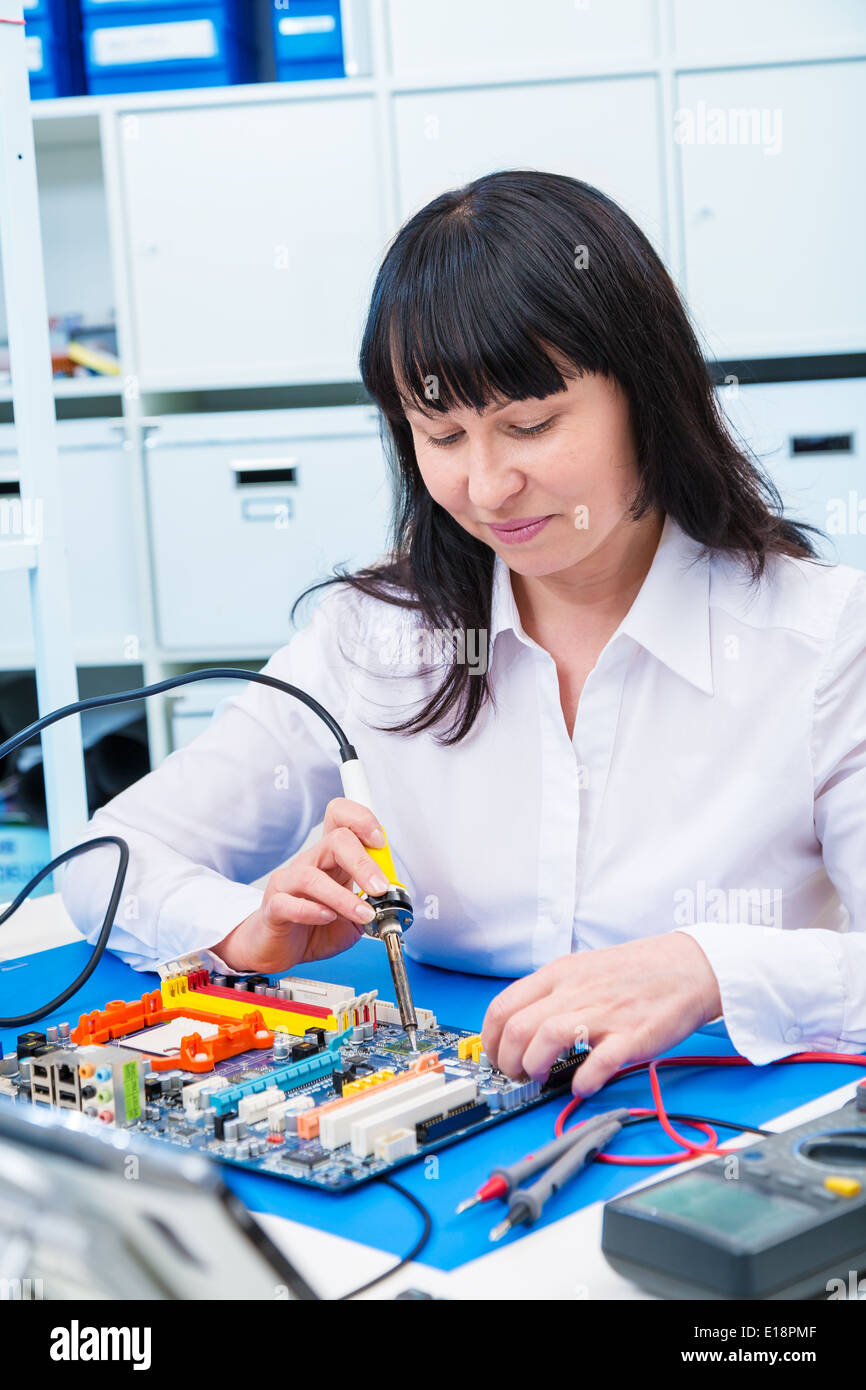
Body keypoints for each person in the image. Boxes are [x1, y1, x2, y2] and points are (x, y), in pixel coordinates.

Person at [62, 171, 866, 1098]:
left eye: (529, 426)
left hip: (721, 1137)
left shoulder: (821, 641)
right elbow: (104, 860)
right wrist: (239, 928)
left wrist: (710, 969)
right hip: (433, 1146)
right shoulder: (372, 638)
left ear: (648, 393)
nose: (486, 489)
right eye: (440, 437)